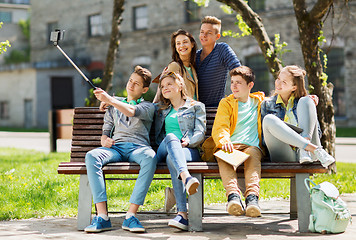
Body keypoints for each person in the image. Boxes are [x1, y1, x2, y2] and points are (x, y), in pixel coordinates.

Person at [84, 66, 157, 233]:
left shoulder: (148, 107)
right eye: (130, 81)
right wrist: (104, 139)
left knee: (150, 157)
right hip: (116, 148)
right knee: (91, 156)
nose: (131, 85)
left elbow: (131, 111)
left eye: (136, 84)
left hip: (139, 148)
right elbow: (107, 127)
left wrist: (110, 99)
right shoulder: (114, 104)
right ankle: (102, 217)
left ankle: (131, 216)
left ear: (144, 89)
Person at [202, 66, 265, 217]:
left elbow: (281, 99)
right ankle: (233, 197)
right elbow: (220, 126)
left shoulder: (260, 102)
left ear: (250, 85)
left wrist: (307, 97)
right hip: (230, 146)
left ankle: (252, 199)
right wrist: (224, 141)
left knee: (253, 155)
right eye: (232, 82)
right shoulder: (227, 103)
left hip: (251, 146)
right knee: (223, 156)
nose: (234, 86)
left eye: (239, 82)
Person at [154, 71, 206, 231]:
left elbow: (201, 132)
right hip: (164, 147)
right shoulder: (159, 109)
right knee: (170, 137)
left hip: (187, 150)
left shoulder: (196, 106)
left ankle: (182, 215)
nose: (165, 88)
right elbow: (138, 106)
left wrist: (190, 141)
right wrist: (111, 102)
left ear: (180, 85)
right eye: (162, 86)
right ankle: (187, 178)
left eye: (170, 83)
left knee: (172, 159)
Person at [261, 65, 335, 167]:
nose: (278, 83)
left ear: (294, 87)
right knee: (268, 119)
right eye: (278, 79)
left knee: (306, 100)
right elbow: (265, 139)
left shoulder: (305, 102)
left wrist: (310, 104)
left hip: (309, 155)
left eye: (284, 82)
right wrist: (290, 138)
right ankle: (310, 148)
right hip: (284, 154)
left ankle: (305, 150)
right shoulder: (266, 104)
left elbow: (317, 132)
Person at [196, 16, 241, 107]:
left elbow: (238, 69)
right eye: (202, 32)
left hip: (216, 108)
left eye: (209, 33)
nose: (204, 36)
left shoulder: (222, 50)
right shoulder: (195, 56)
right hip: (195, 109)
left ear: (217, 36)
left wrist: (237, 95)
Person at [153, 29, 199, 102]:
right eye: (178, 43)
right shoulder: (174, 66)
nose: (182, 46)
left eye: (185, 42)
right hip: (181, 111)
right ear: (175, 47)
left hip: (194, 110)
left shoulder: (192, 68)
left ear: (192, 44)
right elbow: (167, 93)